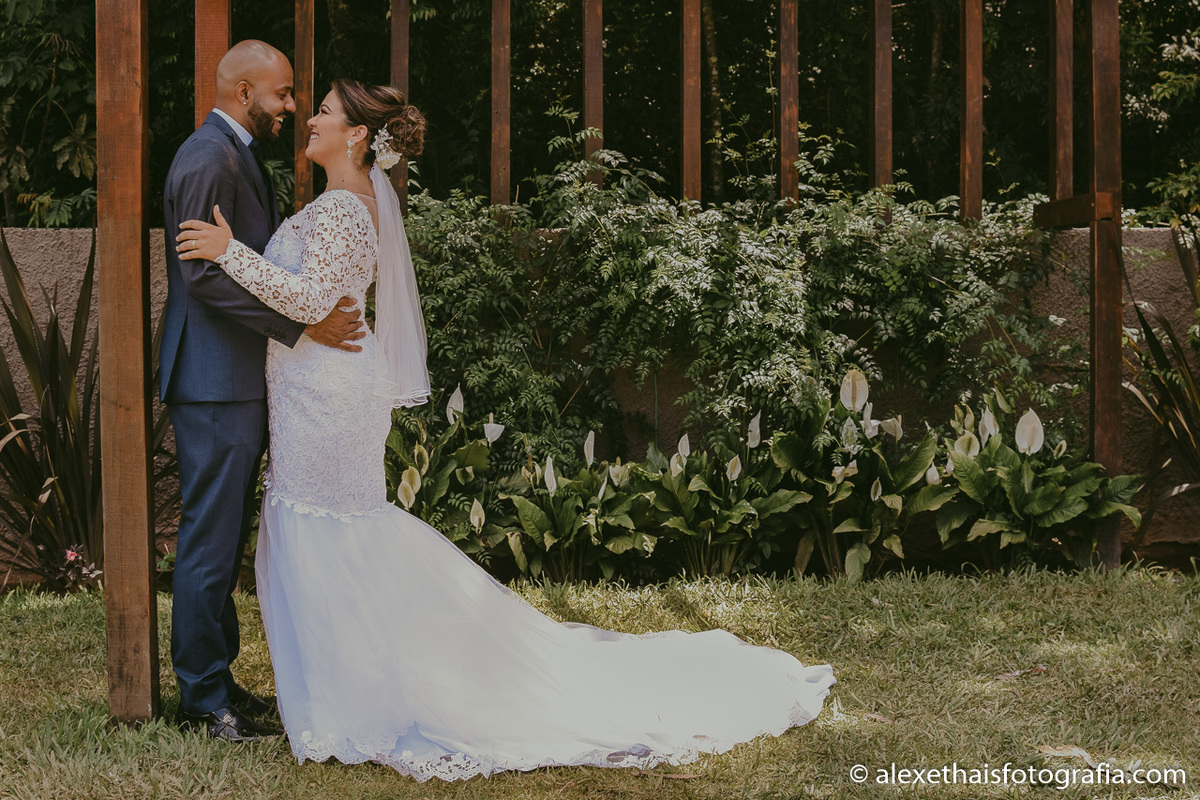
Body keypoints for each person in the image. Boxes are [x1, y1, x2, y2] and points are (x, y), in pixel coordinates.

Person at [176, 78, 836, 781]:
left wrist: (227, 250)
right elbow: (315, 300)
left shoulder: (343, 207)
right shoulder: (342, 202)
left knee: (335, 528)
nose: (311, 118)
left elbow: (309, 300)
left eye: (326, 112)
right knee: (327, 526)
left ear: (358, 135)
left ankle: (364, 696)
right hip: (316, 388)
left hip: (329, 398)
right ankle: (348, 685)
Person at [161, 40, 367, 742]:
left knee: (222, 537)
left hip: (237, 380)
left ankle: (218, 680)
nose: (291, 107)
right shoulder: (207, 157)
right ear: (245, 92)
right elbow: (204, 274)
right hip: (214, 379)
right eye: (281, 94)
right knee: (210, 542)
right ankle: (201, 702)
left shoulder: (236, 153)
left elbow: (239, 260)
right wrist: (301, 325)